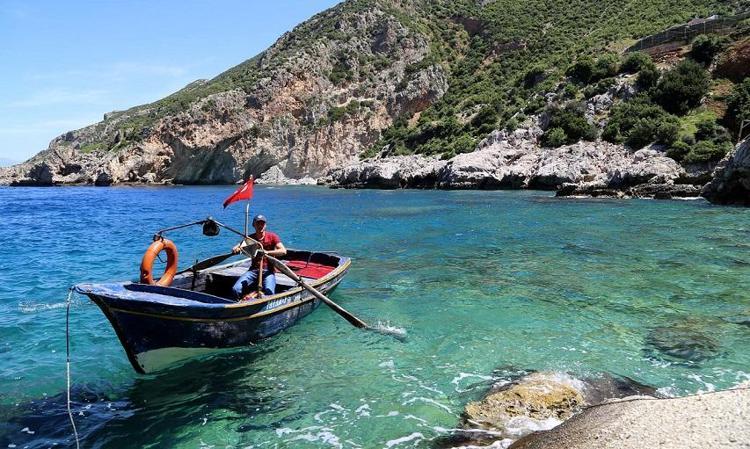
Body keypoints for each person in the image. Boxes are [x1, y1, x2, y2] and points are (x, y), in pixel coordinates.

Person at [231, 214, 287, 299]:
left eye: (262, 223)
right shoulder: (250, 238)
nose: (260, 226)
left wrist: (267, 252)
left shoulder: (272, 236)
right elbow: (238, 246)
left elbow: (283, 251)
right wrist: (236, 249)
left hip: (268, 271)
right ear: (254, 225)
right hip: (253, 270)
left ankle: (256, 293)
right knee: (236, 289)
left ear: (265, 225)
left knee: (270, 293)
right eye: (258, 223)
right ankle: (241, 303)